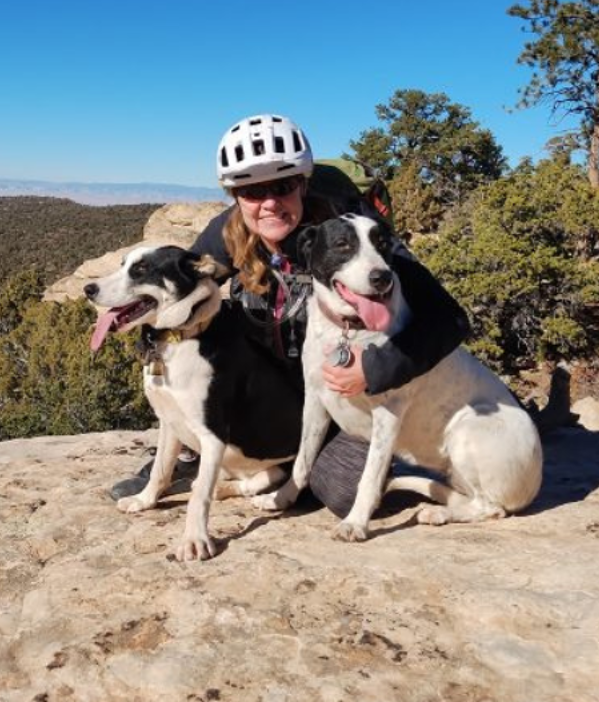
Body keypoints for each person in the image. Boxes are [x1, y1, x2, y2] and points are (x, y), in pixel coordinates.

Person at [111, 113, 471, 517]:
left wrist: (377, 368)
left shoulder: (355, 232)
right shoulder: (228, 233)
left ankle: (408, 452)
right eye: (250, 190)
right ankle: (196, 447)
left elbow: (449, 319)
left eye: (282, 186)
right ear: (235, 195)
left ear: (303, 183)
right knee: (216, 317)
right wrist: (151, 335)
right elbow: (183, 290)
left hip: (346, 394)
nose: (268, 202)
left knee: (341, 490)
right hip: (282, 383)